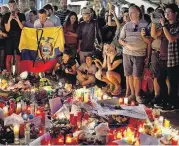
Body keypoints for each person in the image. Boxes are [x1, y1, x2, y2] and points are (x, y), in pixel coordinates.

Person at [119, 5, 150, 103]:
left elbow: (149, 42)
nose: (131, 15)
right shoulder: (126, 25)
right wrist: (123, 42)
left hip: (139, 53)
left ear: (138, 13)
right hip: (127, 53)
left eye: (133, 13)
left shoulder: (145, 25)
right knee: (129, 75)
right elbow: (120, 39)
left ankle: (137, 95)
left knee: (137, 76)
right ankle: (132, 94)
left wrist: (148, 56)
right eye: (129, 13)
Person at [160, 3, 179, 109]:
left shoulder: (177, 25)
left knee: (173, 82)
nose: (166, 14)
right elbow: (155, 35)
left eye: (169, 12)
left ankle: (174, 103)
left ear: (176, 13)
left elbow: (171, 38)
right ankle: (166, 100)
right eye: (165, 12)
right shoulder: (166, 25)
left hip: (174, 58)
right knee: (160, 79)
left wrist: (163, 26)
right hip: (164, 57)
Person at [3, 0, 26, 75]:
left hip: (19, 38)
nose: (12, 7)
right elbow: (7, 29)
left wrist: (17, 19)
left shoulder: (22, 15)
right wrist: (9, 20)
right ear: (9, 7)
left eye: (14, 6)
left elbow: (23, 27)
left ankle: (19, 75)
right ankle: (9, 75)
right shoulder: (6, 16)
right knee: (9, 56)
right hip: (9, 38)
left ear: (16, 6)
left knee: (18, 57)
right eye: (11, 6)